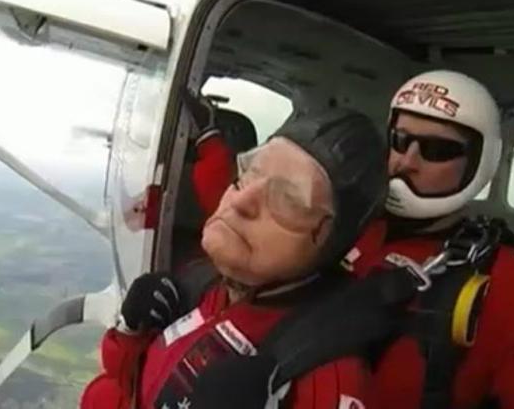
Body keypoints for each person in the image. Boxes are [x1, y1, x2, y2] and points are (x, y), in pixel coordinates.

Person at [183, 70, 514, 409]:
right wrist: (209, 140)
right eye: (400, 139)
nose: (407, 160)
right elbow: (252, 205)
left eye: (437, 150)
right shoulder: (347, 218)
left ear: (479, 165)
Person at [80, 108, 388, 409]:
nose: (240, 201)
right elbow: (131, 388)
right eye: (247, 175)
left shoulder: (323, 379)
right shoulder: (207, 286)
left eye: (287, 200)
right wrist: (131, 334)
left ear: (330, 241)